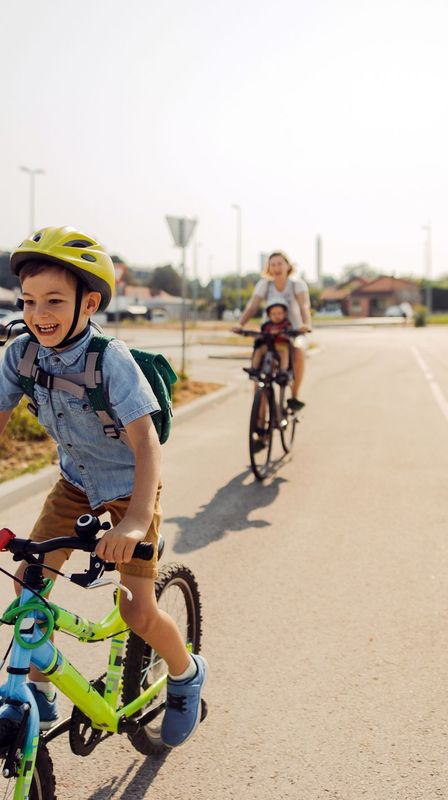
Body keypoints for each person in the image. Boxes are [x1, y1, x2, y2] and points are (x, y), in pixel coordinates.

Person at [0, 226, 207, 747]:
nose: (38, 313)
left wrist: (136, 520)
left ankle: (184, 675)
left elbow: (146, 446)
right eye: (28, 301)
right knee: (31, 585)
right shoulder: (20, 355)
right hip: (74, 485)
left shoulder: (111, 360)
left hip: (129, 487)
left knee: (136, 608)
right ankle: (40, 693)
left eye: (54, 300)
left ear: (88, 303)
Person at [234, 250, 312, 411]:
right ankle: (260, 416)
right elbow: (252, 305)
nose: (276, 267)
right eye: (273, 264)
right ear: (269, 267)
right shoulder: (265, 284)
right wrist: (240, 324)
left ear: (287, 266)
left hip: (293, 331)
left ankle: (294, 396)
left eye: (280, 264)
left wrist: (306, 324)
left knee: (297, 351)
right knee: (259, 371)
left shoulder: (297, 284)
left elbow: (304, 305)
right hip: (269, 332)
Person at [249, 298, 292, 377]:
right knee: (258, 350)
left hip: (281, 346)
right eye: (274, 314)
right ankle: (254, 368)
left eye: (279, 313)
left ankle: (283, 370)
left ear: (284, 314)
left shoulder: (286, 324)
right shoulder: (267, 325)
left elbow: (289, 332)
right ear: (269, 315)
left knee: (284, 353)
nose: (277, 316)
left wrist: (281, 333)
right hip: (268, 346)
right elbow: (262, 333)